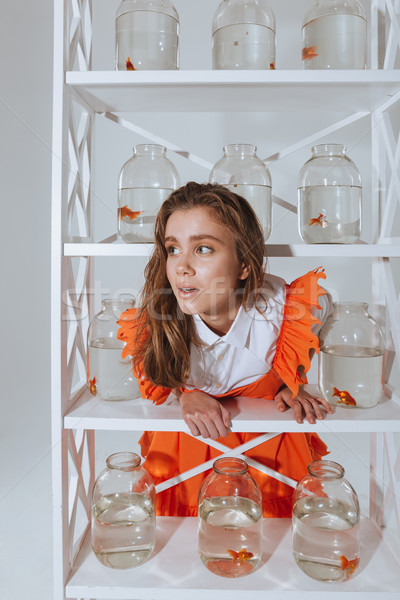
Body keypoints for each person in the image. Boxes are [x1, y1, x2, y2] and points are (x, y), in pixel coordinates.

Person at [118, 182, 334, 518]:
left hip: (269, 455)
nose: (181, 267)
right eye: (172, 249)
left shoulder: (280, 310)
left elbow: (322, 306)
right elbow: (159, 378)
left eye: (203, 249)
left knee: (271, 541)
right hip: (186, 451)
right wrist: (184, 393)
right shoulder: (157, 321)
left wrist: (292, 380)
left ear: (244, 266)